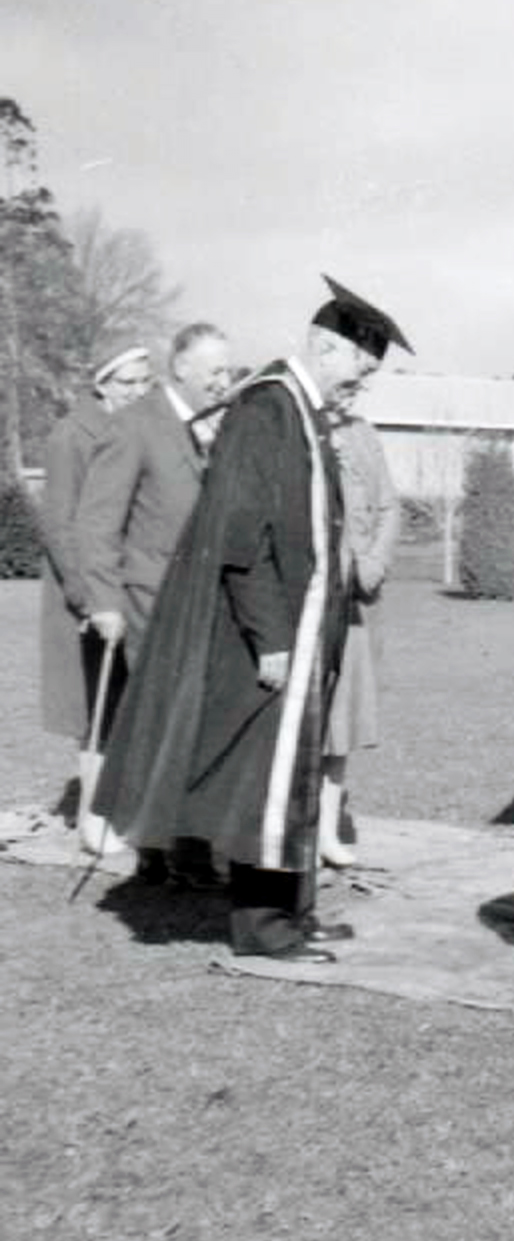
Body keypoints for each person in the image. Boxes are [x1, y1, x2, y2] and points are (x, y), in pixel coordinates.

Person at [90, 277, 412, 962]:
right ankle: (264, 927)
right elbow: (244, 539)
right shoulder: (268, 411)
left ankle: (294, 910)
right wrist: (269, 638)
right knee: (265, 778)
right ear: (326, 348)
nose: (363, 383)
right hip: (270, 637)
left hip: (307, 630)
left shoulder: (304, 412)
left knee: (292, 774)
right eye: (361, 366)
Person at [77, 322, 235, 665]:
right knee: (156, 714)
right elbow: (98, 521)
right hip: (151, 602)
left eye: (229, 372)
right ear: (181, 368)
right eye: (216, 372)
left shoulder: (213, 424)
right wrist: (104, 603)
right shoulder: (133, 424)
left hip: (205, 600)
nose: (225, 383)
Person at [36, 341, 152, 759]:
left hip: (127, 582)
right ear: (101, 386)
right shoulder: (71, 435)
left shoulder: (138, 429)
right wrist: (86, 598)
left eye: (145, 381)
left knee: (128, 706)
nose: (137, 391)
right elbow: (59, 524)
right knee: (95, 711)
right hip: (86, 593)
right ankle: (93, 810)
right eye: (126, 382)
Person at [317, 404, 401, 868]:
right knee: (314, 722)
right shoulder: (300, 425)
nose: (353, 394)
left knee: (343, 722)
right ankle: (298, 829)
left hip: (359, 601)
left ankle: (328, 828)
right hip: (319, 597)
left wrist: (372, 563)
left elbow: (388, 505)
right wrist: (346, 565)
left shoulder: (364, 433)